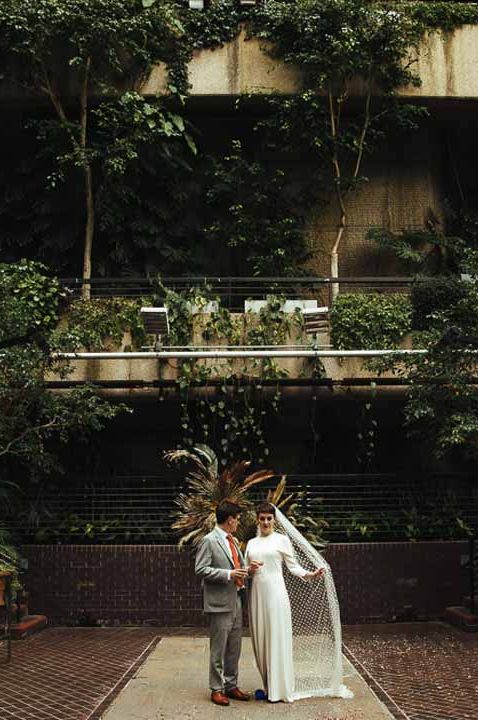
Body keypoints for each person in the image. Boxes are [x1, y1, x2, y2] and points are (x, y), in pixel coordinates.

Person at [245, 502, 353, 703]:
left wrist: (310, 574)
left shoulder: (282, 540)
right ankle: (268, 686)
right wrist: (250, 569)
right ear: (257, 520)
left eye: (269, 518)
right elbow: (245, 571)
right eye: (262, 518)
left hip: (276, 596)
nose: (266, 522)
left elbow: (293, 567)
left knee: (276, 639)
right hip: (257, 596)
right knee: (260, 642)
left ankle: (280, 690)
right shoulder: (251, 543)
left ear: (274, 520)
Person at [195, 500, 251, 707]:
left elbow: (238, 566)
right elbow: (201, 569)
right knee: (218, 649)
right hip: (219, 603)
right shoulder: (209, 541)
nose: (238, 523)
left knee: (234, 647)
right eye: (237, 519)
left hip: (236, 599)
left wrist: (249, 568)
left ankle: (231, 685)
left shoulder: (232, 540)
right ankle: (216, 689)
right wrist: (228, 574)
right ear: (229, 520)